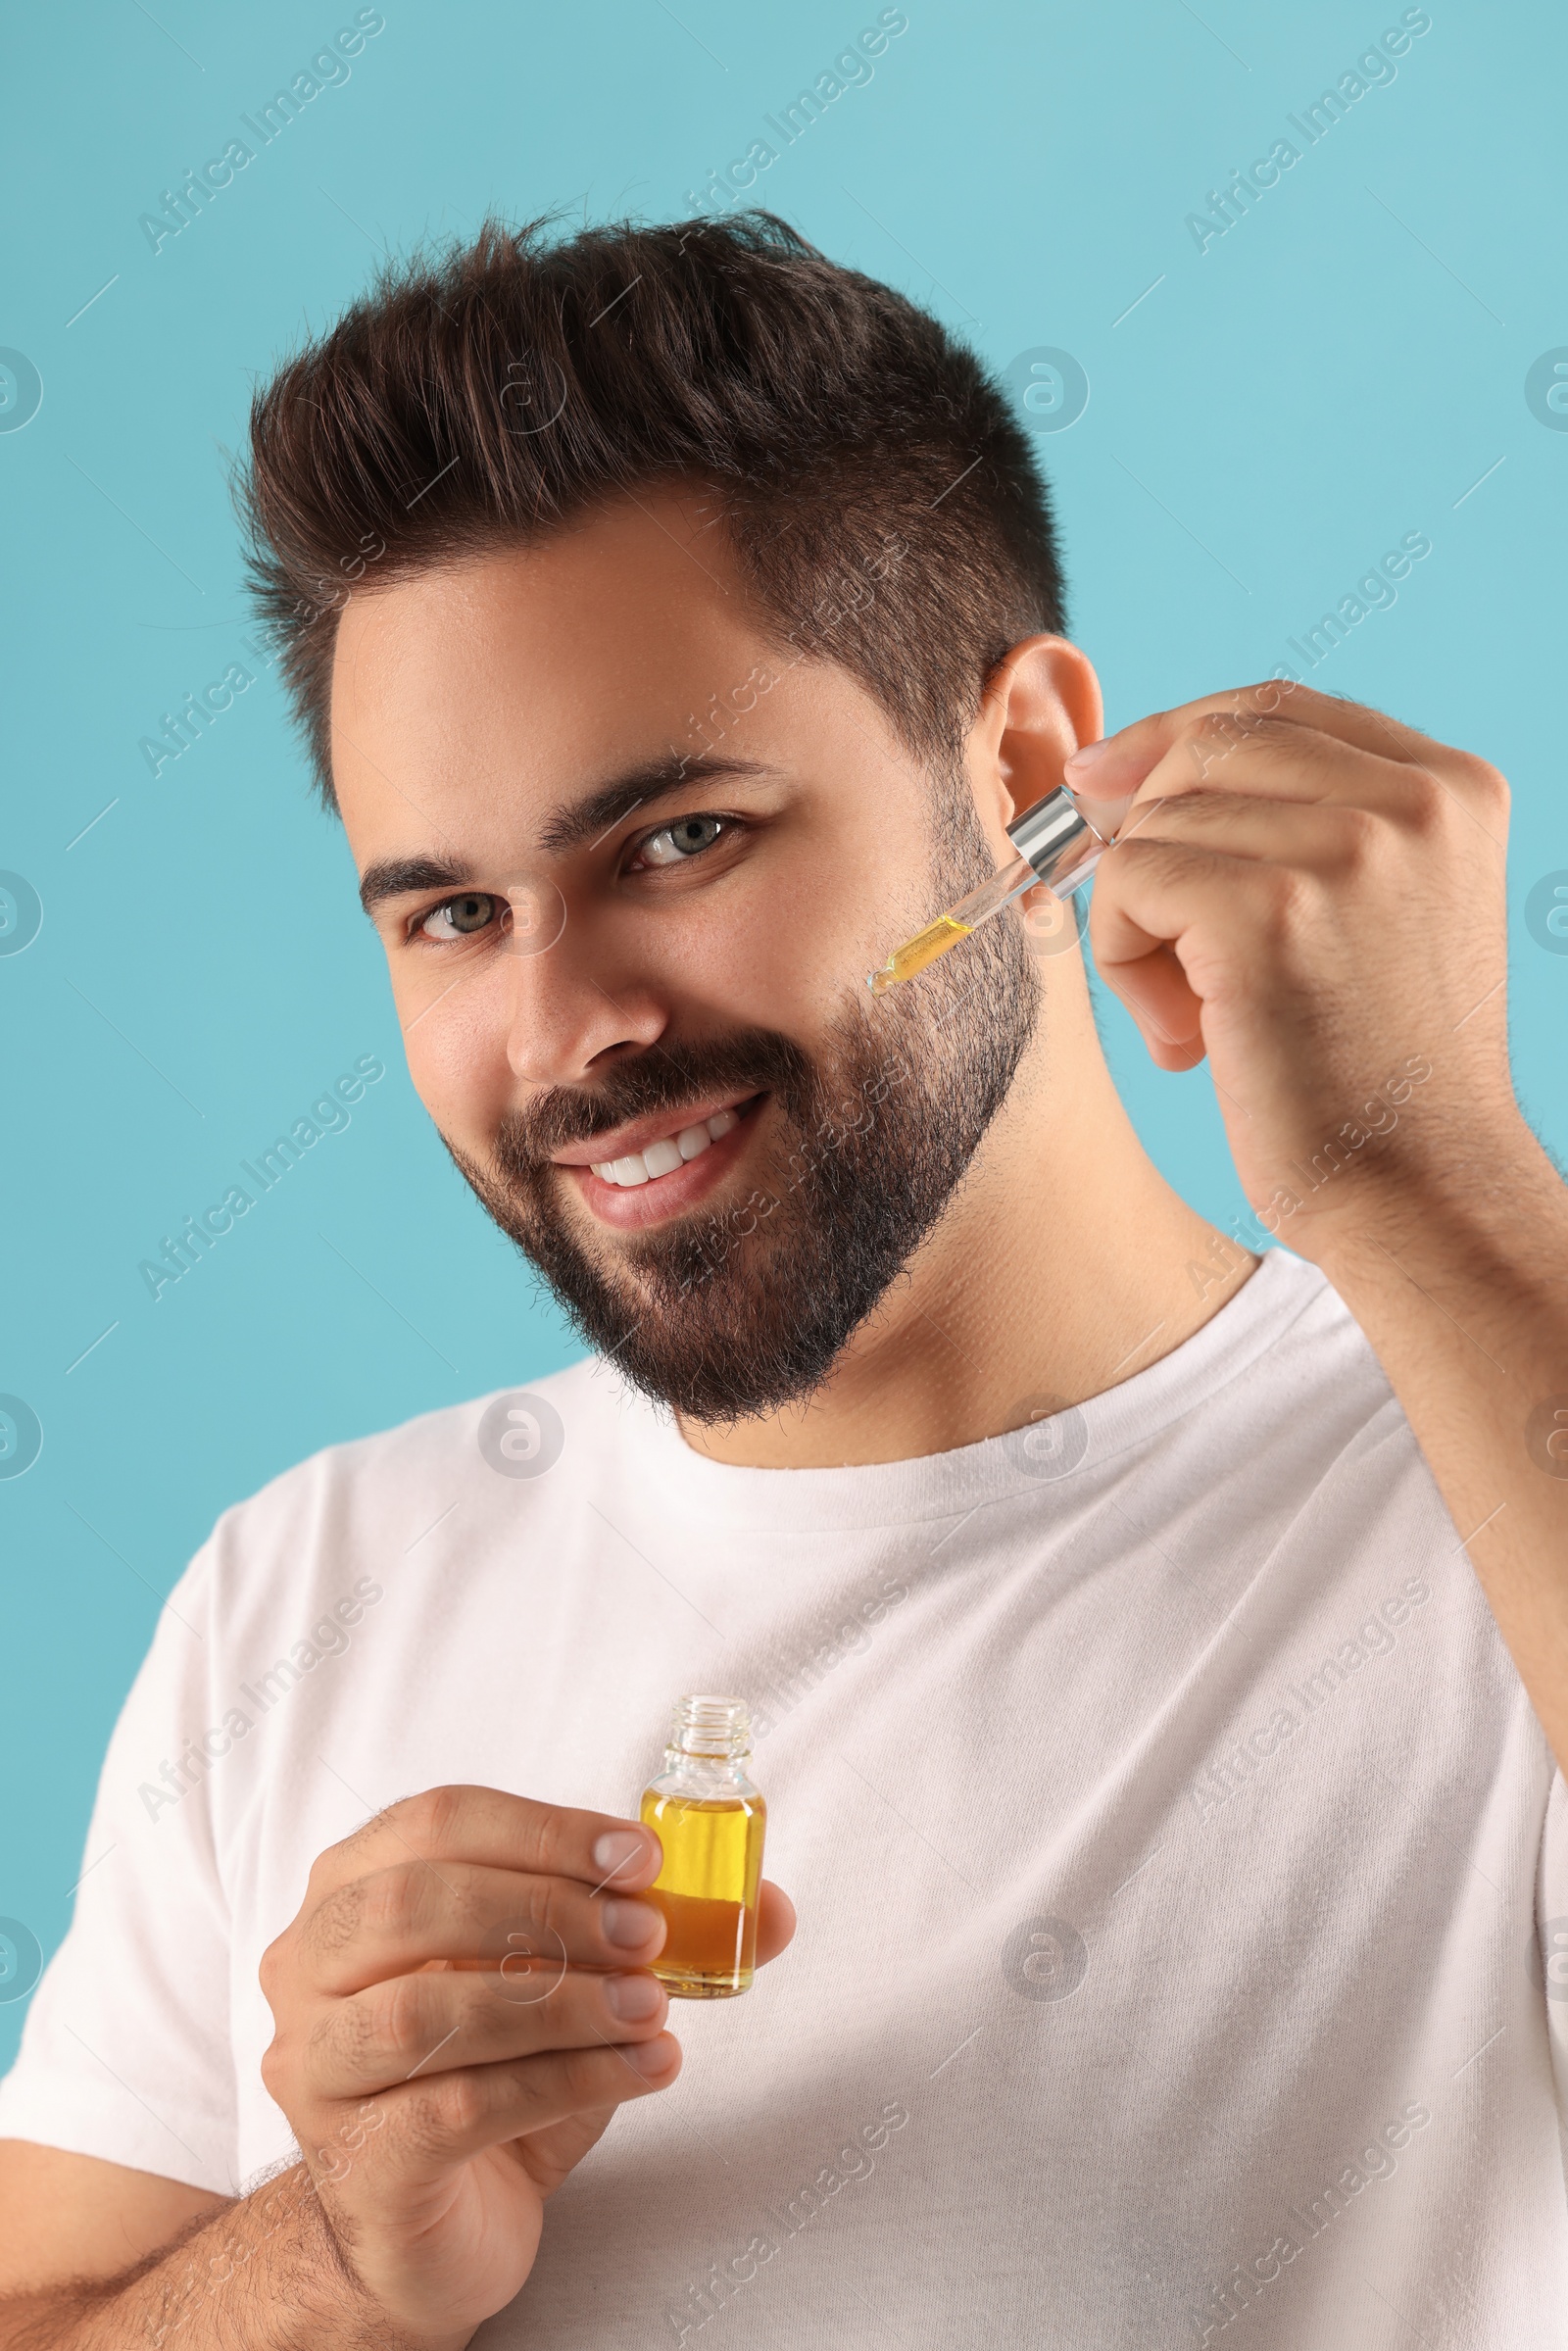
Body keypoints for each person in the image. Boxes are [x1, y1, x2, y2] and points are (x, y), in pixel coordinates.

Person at [1, 211, 1565, 2350]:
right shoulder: (299, 1594)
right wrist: (337, 2260)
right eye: (452, 914)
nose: (566, 1033)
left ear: (1017, 775)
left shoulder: (1484, 1501)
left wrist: (1441, 1195)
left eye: (675, 843)